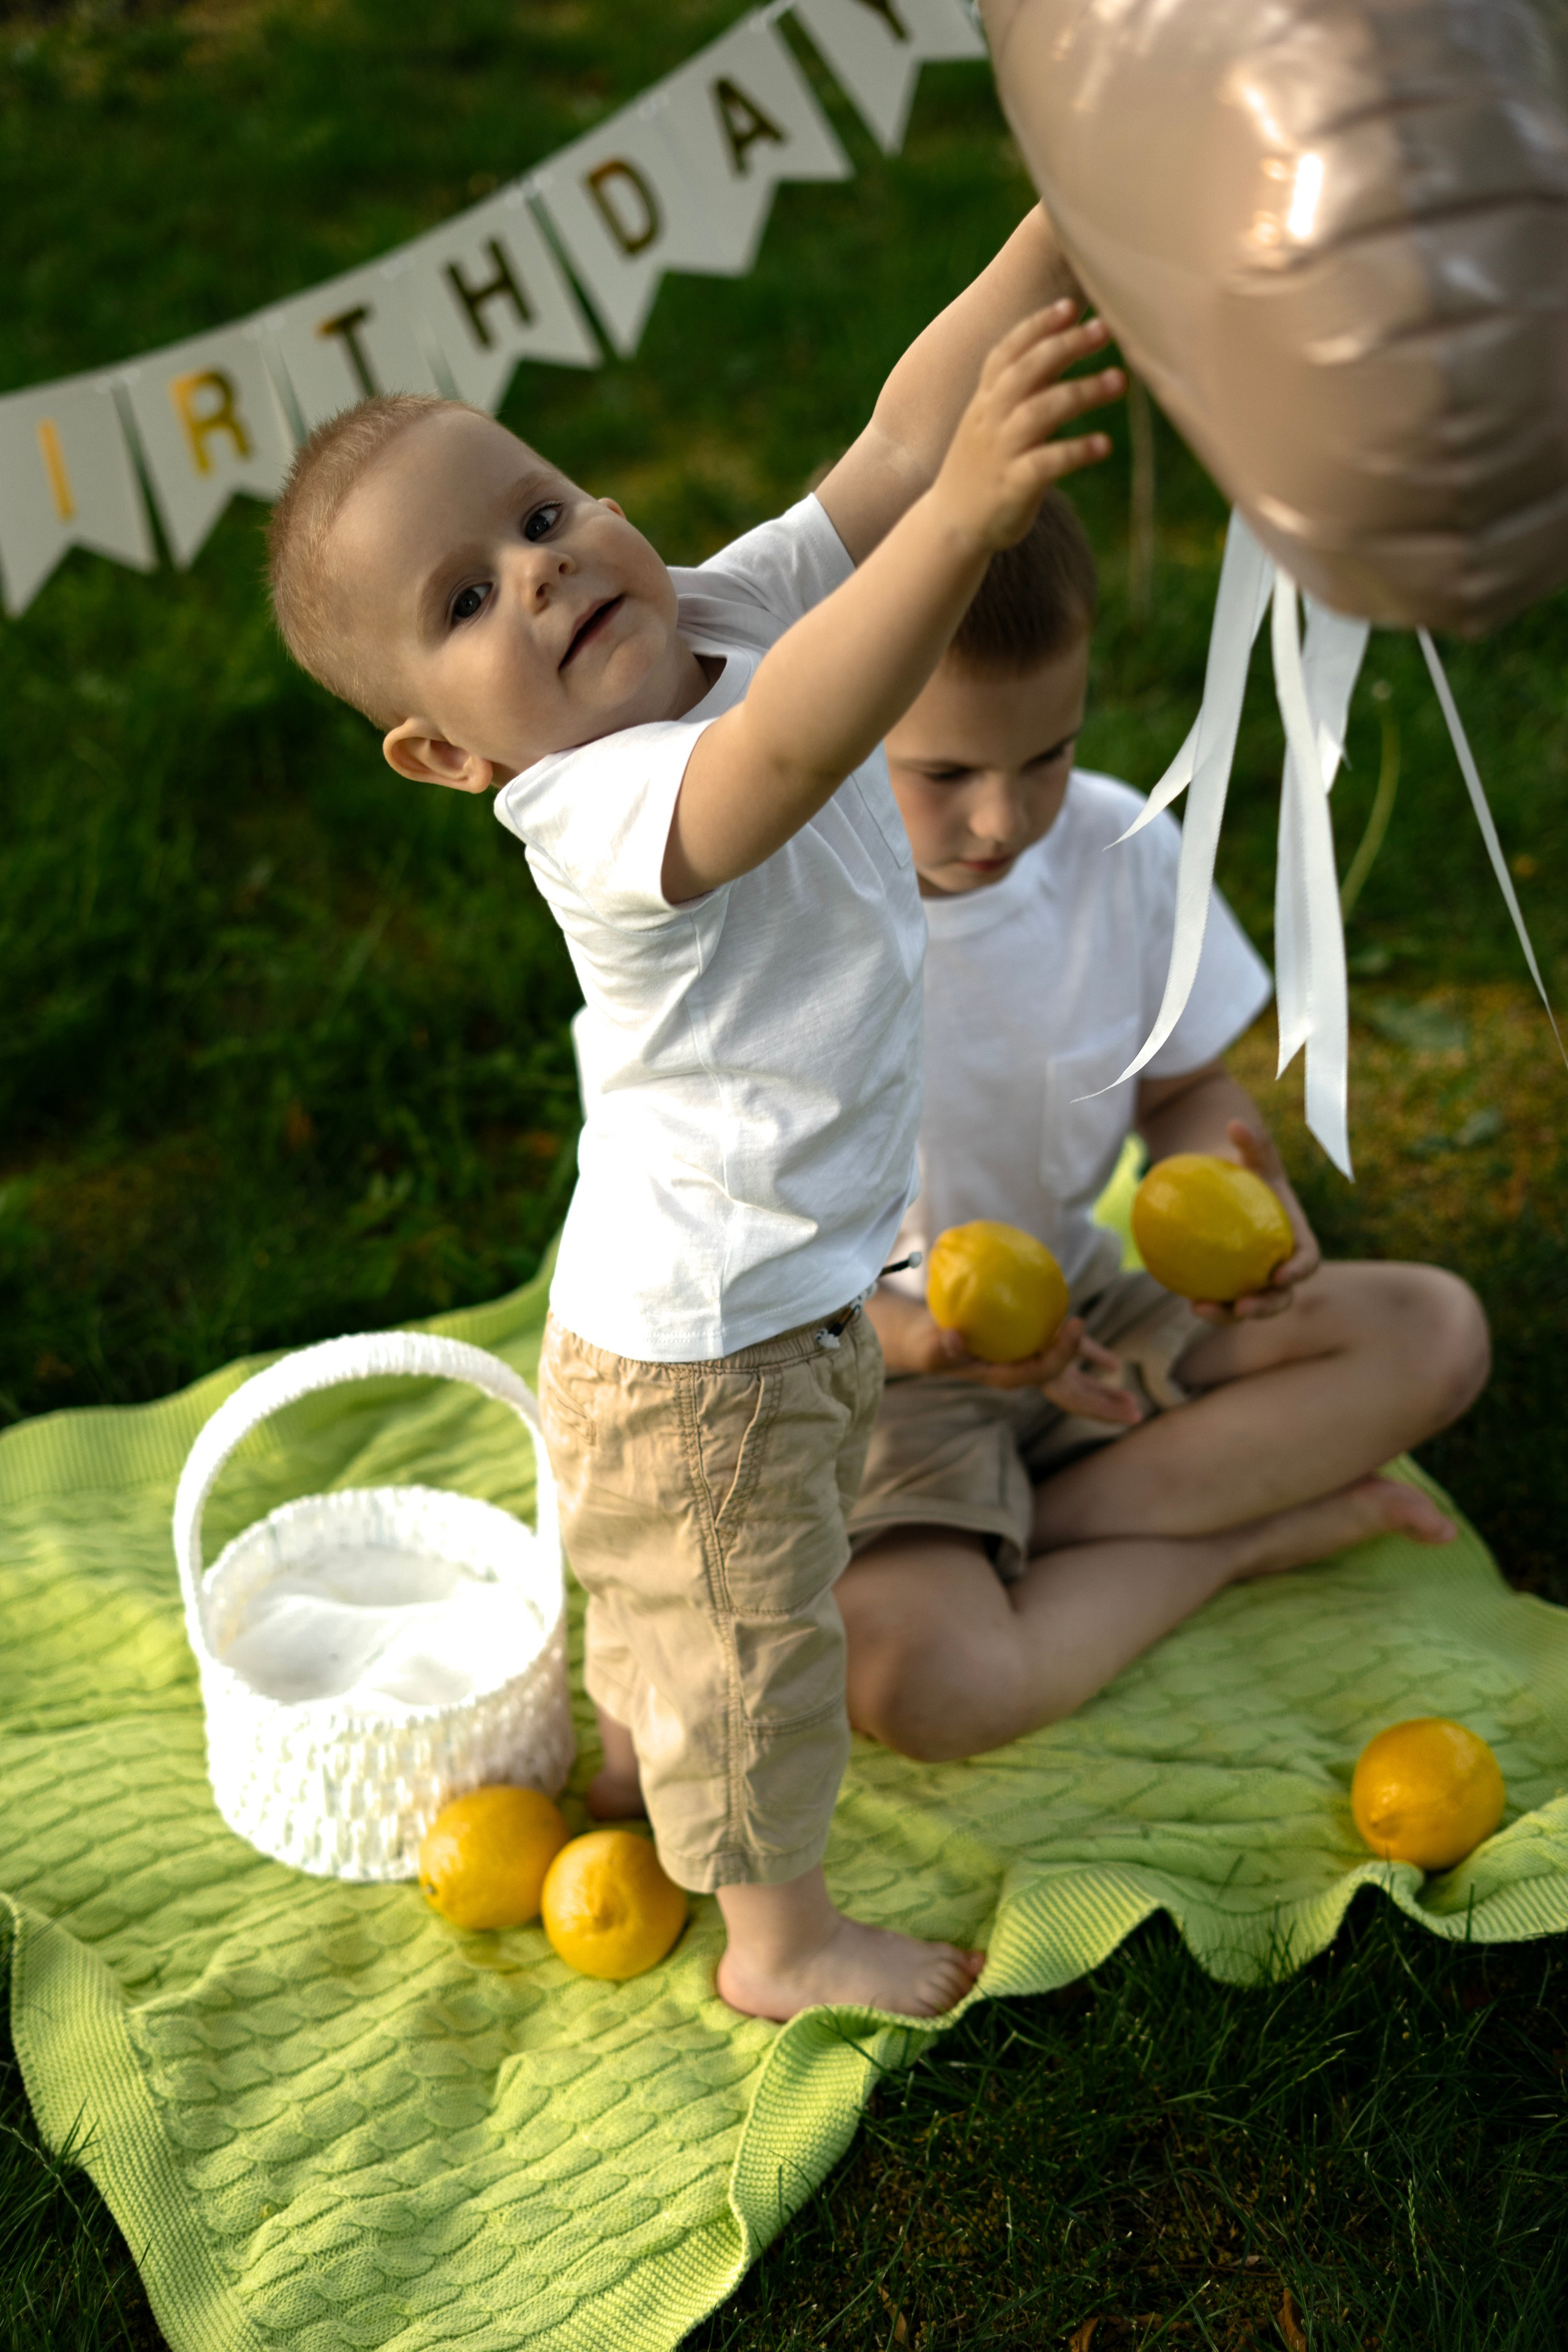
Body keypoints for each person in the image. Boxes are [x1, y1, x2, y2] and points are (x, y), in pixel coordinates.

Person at [263, 208, 1125, 2021]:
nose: (544, 574)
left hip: (780, 1305)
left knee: (726, 1600)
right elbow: (796, 749)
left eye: (542, 513)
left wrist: (1061, 224)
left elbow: (892, 447)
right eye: (466, 602)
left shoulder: (713, 614)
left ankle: (634, 1761)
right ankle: (779, 1943)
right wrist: (968, 520)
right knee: (757, 1654)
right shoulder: (589, 806)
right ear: (442, 753)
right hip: (701, 1353)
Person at [834, 495, 1493, 1763]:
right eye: (944, 774)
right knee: (925, 1682)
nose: (1001, 820)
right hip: (873, 1373)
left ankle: (1036, 1524)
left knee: (1431, 1335)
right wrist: (914, 1345)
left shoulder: (1116, 849)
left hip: (1075, 1307)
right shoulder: (778, 925)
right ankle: (1236, 1536)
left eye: (1045, 757)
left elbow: (1181, 1090)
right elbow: (727, 1257)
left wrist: (1228, 1199)